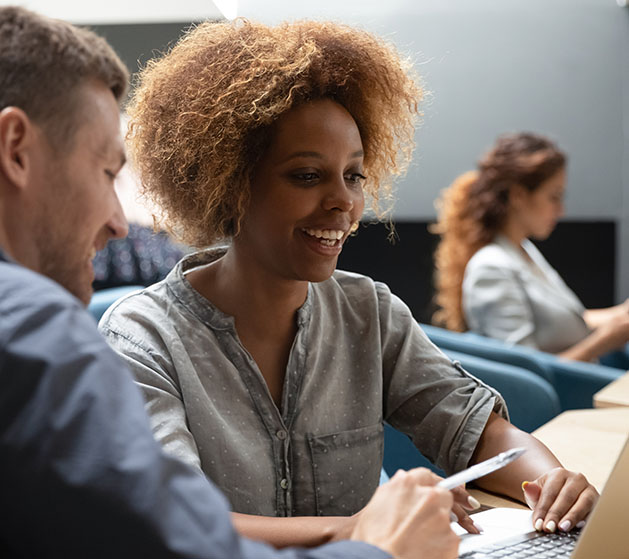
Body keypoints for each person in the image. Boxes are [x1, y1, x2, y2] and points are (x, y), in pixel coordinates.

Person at [98, 20, 598, 550]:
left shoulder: (367, 311)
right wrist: (362, 527)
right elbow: (176, 520)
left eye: (354, 175)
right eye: (307, 176)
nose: (345, 202)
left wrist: (550, 482)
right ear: (228, 184)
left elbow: (477, 432)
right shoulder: (142, 340)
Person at [0, 6, 461, 558]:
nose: (119, 222)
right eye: (104, 172)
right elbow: (184, 545)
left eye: (354, 175)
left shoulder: (366, 307)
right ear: (15, 149)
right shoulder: (36, 332)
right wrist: (377, 544)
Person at [433, 132, 629, 364]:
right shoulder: (491, 268)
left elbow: (568, 321)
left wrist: (619, 315)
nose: (561, 210)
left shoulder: (524, 250)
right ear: (518, 195)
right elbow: (527, 375)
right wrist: (604, 341)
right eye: (554, 197)